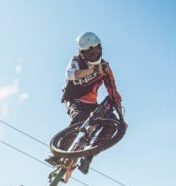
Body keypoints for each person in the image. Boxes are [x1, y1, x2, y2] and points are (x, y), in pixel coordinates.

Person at [46, 31, 122, 174]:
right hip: (74, 100)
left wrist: (117, 104)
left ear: (100, 48)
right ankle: (59, 154)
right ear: (82, 53)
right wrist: (92, 70)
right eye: (89, 53)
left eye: (95, 51)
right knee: (80, 118)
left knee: (111, 123)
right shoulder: (76, 61)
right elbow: (71, 75)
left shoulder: (105, 68)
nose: (93, 55)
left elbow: (112, 88)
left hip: (92, 103)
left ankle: (89, 156)